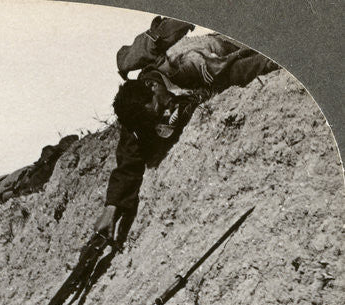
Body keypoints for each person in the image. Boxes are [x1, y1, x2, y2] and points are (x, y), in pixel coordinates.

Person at [96, 17, 280, 244]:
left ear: (153, 87)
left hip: (225, 46)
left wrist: (271, 62)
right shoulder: (138, 107)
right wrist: (112, 206)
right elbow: (128, 158)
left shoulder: (186, 65)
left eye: (160, 109)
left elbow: (236, 71)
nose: (163, 115)